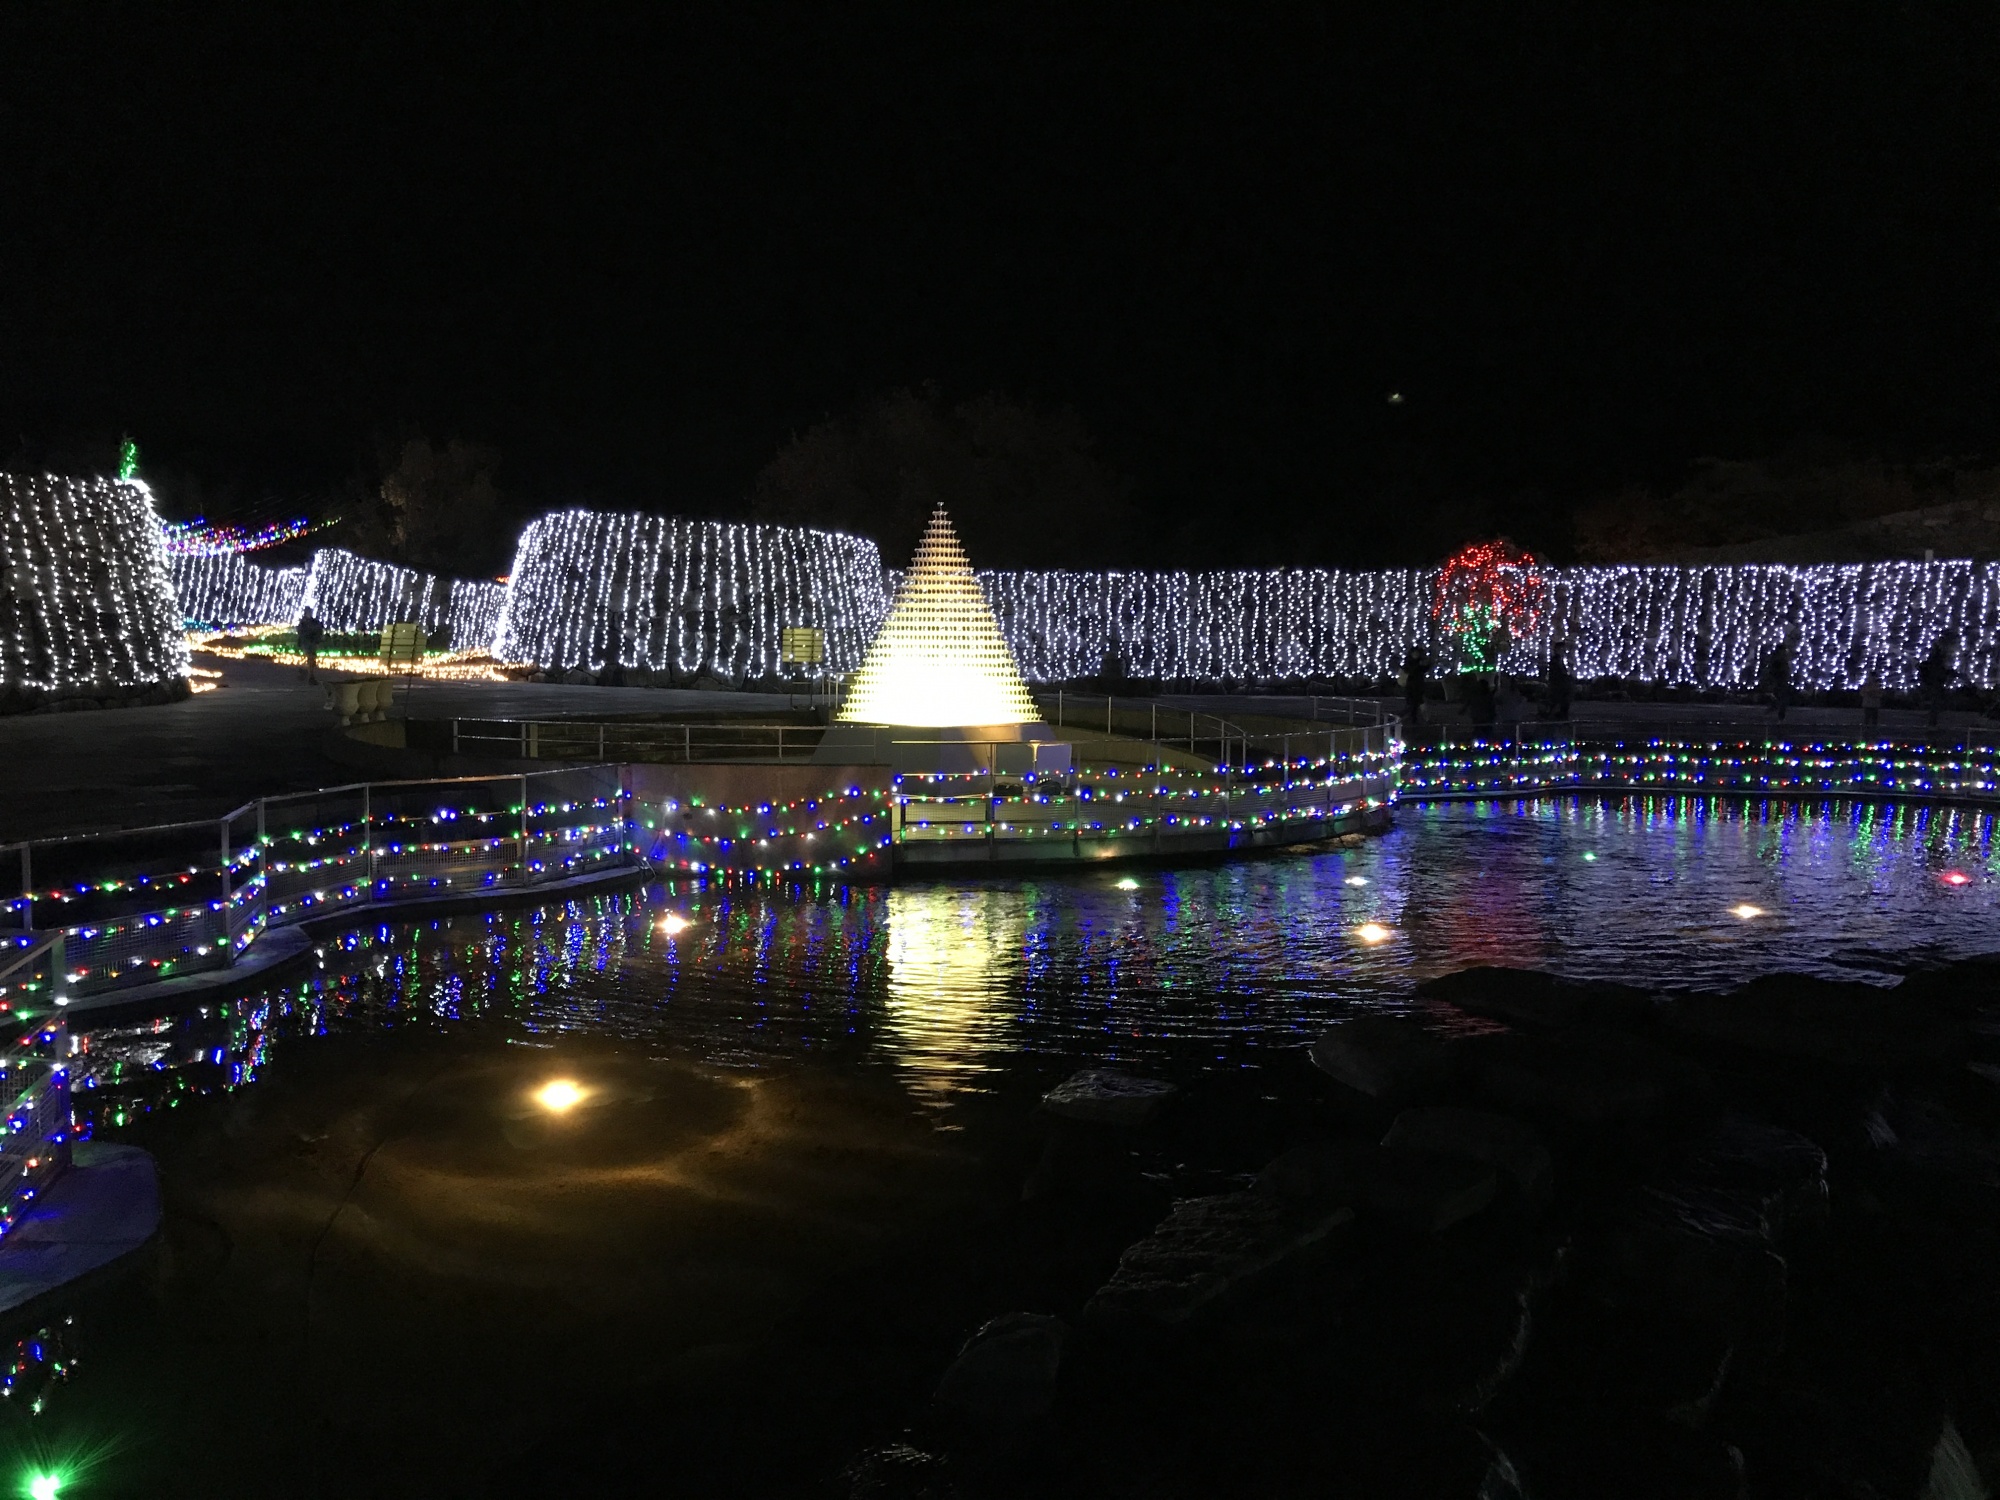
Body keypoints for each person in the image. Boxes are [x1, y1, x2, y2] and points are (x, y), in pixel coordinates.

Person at [1918, 633, 1957, 728]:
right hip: (1936, 681)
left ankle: (1932, 722)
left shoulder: (1937, 655)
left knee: (1935, 702)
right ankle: (1932, 722)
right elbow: (1936, 667)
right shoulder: (1938, 656)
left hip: (1936, 681)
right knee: (1935, 702)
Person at [1762, 640, 1793, 722]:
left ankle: (1777, 711)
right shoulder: (1780, 658)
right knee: (1781, 697)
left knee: (1780, 697)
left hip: (1780, 680)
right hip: (1780, 680)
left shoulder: (1778, 658)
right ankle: (1778, 713)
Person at [1401, 645, 1430, 726]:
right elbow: (1409, 670)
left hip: (1418, 685)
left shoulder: (1420, 662)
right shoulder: (1410, 662)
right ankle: (1414, 719)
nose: (1416, 655)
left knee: (1418, 702)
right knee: (1413, 703)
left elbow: (1425, 669)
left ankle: (1419, 718)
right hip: (1411, 685)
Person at [296, 607, 324, 685]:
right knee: (310, 659)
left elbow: (318, 630)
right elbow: (301, 632)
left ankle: (306, 672)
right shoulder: (305, 623)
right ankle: (309, 676)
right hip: (308, 643)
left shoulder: (311, 622)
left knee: (311, 660)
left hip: (311, 643)